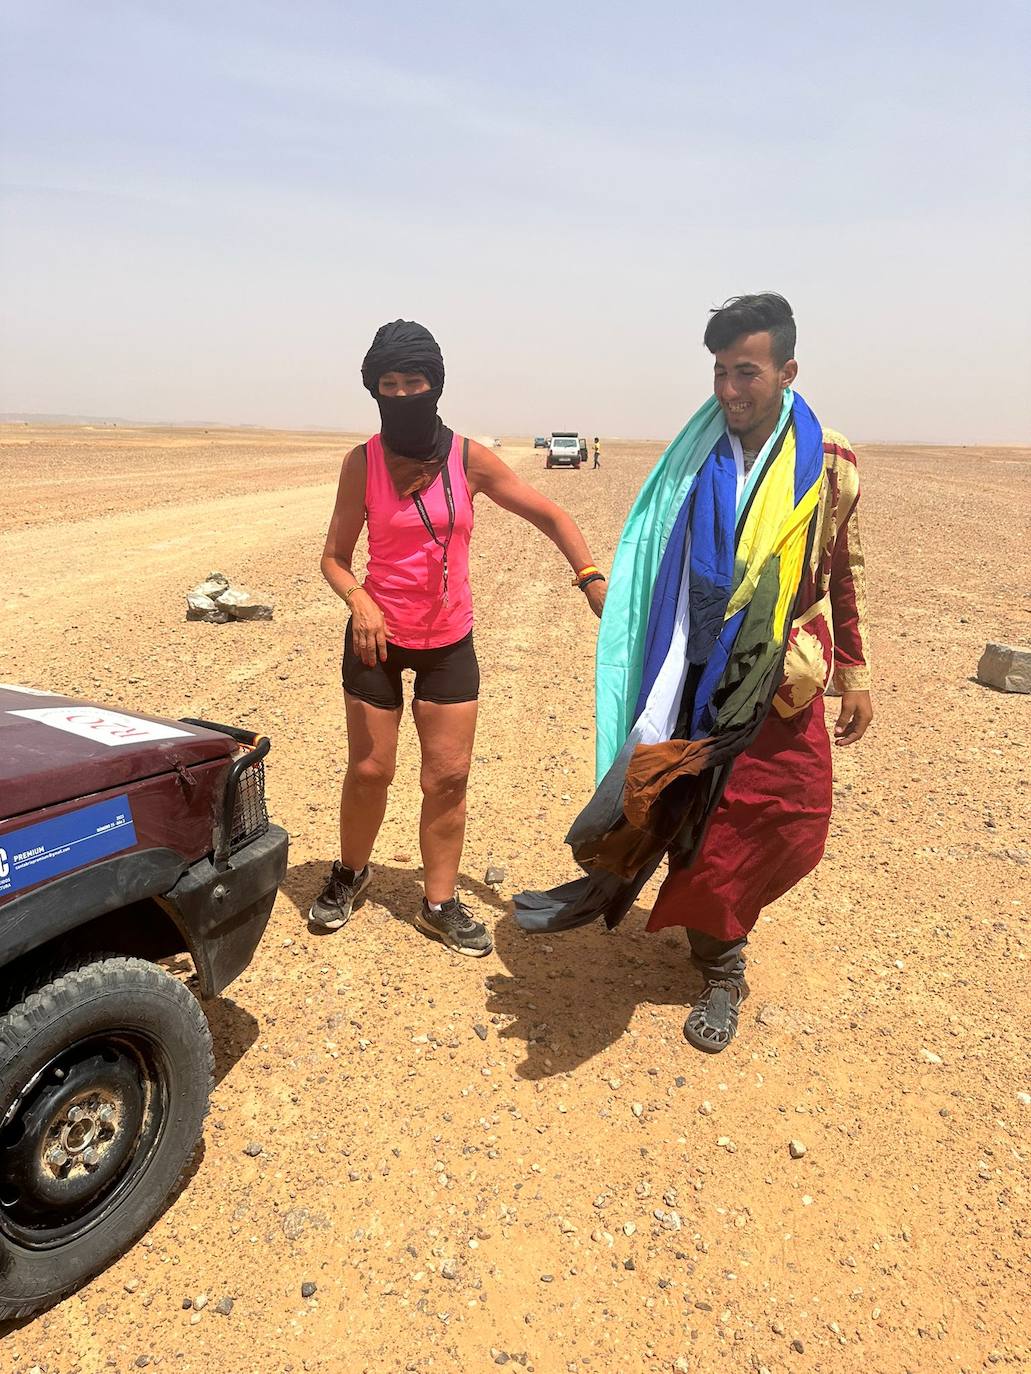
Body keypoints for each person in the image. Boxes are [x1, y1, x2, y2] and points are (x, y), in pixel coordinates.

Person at [515, 293, 872, 1052]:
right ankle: (720, 965)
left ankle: (720, 937)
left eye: (745, 372)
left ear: (786, 370)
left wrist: (856, 671)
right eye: (718, 372)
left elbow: (839, 568)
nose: (728, 391)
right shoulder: (694, 456)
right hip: (689, 669)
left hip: (777, 678)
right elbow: (655, 554)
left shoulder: (828, 459)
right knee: (686, 810)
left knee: (780, 820)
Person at [311, 320, 607, 956]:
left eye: (413, 382)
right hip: (377, 637)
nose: (401, 394)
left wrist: (589, 577)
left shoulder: (467, 458)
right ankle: (351, 871)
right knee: (370, 768)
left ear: (435, 384)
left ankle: (439, 902)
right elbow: (334, 556)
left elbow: (550, 513)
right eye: (388, 385)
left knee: (447, 777)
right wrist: (360, 599)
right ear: (374, 390)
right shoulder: (360, 463)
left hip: (448, 638)